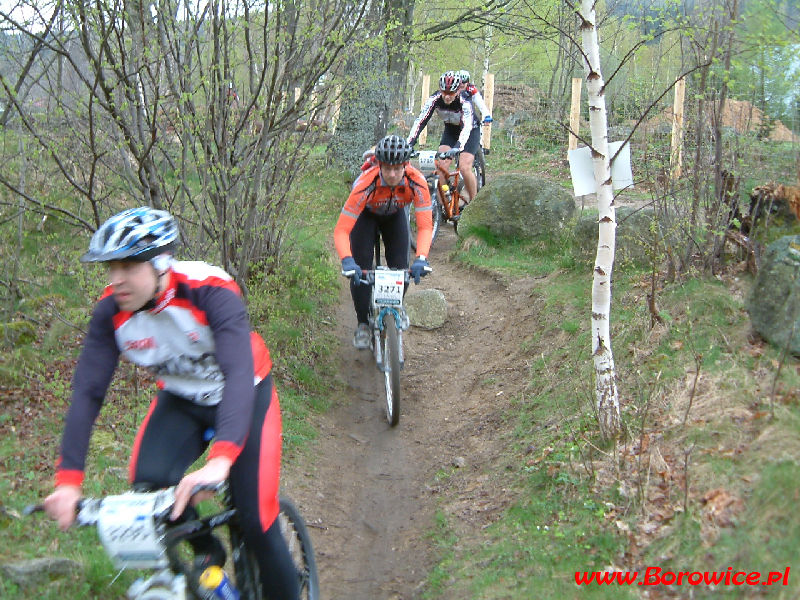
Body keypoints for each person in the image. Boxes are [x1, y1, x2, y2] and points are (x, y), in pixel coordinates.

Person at [43, 206, 300, 599]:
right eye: (110, 267)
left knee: (255, 517)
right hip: (181, 398)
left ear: (161, 262)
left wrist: (220, 460)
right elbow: (87, 392)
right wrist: (68, 482)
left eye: (128, 265)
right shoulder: (111, 312)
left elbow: (237, 375)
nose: (116, 279)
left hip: (245, 391)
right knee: (149, 489)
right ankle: (207, 551)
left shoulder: (211, 289)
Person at [334, 135, 433, 349]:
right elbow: (342, 230)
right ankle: (362, 324)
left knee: (402, 266)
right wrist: (347, 259)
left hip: (395, 215)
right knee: (359, 271)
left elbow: (425, 226)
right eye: (387, 168)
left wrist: (422, 258)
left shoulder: (416, 181)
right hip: (366, 217)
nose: (392, 174)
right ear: (379, 164)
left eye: (397, 168)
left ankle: (397, 306)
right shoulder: (365, 183)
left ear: (406, 165)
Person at [407, 70, 481, 206]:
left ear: (458, 91)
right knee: (441, 166)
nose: (447, 97)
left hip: (470, 130)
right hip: (451, 130)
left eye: (451, 93)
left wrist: (458, 146)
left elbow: (467, 127)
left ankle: (475, 204)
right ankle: (444, 204)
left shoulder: (465, 100)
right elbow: (420, 121)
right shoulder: (434, 99)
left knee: (464, 167)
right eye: (444, 92)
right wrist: (409, 143)